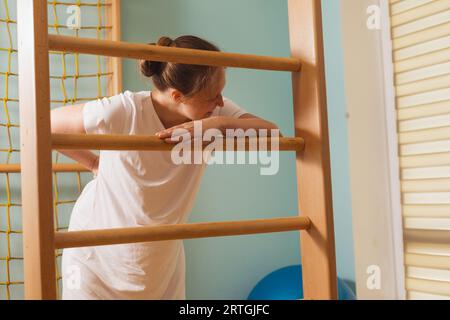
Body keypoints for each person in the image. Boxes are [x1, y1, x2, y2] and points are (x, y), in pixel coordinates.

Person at [51, 35, 280, 299]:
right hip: (97, 260)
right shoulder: (125, 111)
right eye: (212, 96)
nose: (220, 102)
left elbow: (271, 133)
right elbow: (46, 125)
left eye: (221, 93)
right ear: (177, 96)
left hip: (160, 261)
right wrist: (93, 162)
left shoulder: (214, 115)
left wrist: (218, 125)